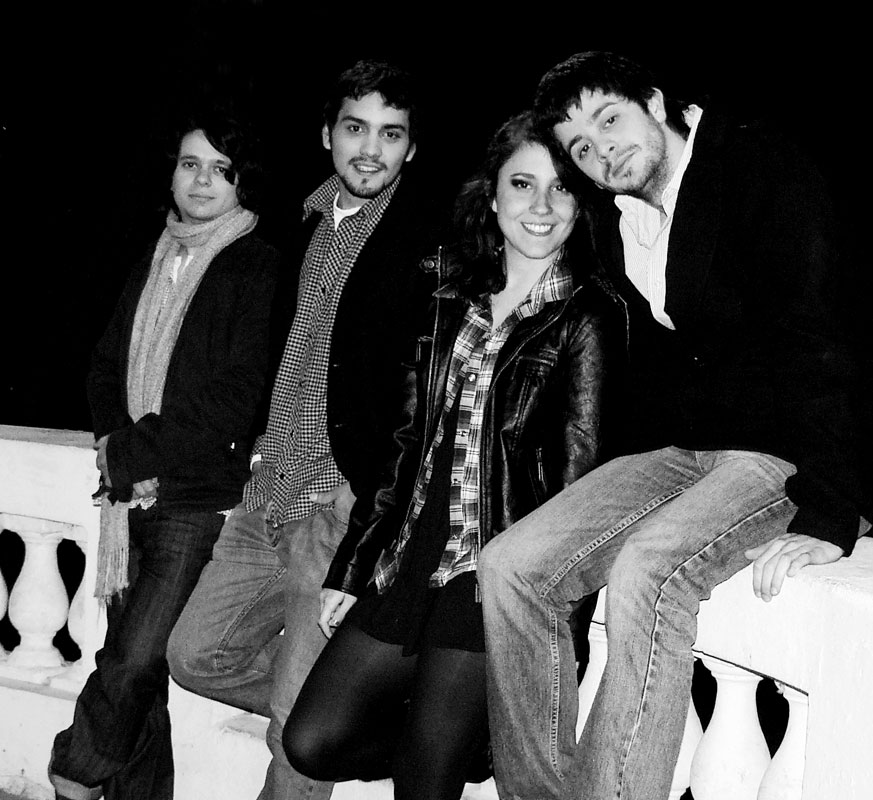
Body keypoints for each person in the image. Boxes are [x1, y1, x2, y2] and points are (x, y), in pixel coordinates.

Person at [476, 50, 867, 800]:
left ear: (655, 103)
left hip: (779, 450)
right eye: (581, 147)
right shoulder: (618, 218)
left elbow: (820, 336)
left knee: (647, 571)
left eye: (610, 119)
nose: (601, 150)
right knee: (510, 567)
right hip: (680, 451)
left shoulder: (757, 166)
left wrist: (831, 511)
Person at [281, 110, 620, 800]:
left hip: (495, 573)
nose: (541, 206)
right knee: (312, 741)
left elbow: (579, 491)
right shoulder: (448, 297)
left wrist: (564, 635)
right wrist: (352, 567)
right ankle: (465, 746)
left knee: (424, 780)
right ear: (491, 195)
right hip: (410, 556)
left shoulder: (587, 315)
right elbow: (404, 447)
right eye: (522, 184)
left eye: (561, 188)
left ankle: (448, 747)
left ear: (580, 203)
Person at [166, 59, 444, 800]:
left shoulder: (426, 246)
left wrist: (371, 507)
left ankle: (316, 722)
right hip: (267, 494)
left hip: (337, 504)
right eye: (356, 128)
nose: (370, 150)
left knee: (293, 730)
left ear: (411, 148)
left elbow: (423, 400)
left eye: (391, 134)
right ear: (328, 135)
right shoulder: (303, 223)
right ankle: (351, 719)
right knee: (194, 655)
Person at [48, 111, 281, 800]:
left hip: (194, 500)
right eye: (189, 165)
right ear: (172, 175)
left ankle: (72, 772)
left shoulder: (255, 264)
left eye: (220, 169)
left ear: (242, 182)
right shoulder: (154, 256)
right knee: (140, 683)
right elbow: (104, 367)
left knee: (135, 659)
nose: (202, 181)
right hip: (129, 498)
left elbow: (236, 395)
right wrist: (110, 442)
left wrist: (130, 450)